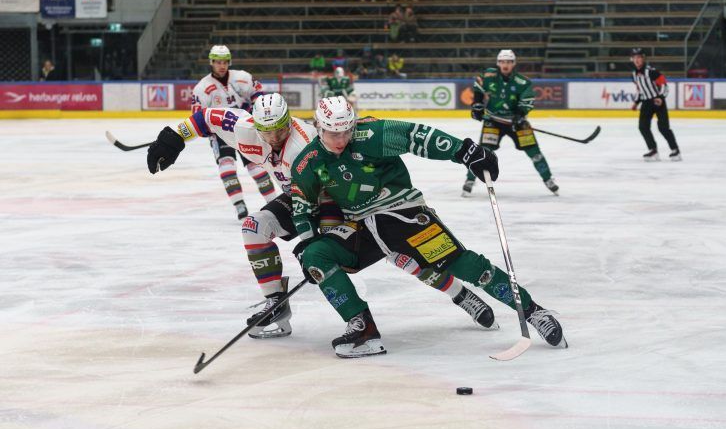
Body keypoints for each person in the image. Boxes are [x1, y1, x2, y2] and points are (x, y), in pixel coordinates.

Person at [146, 93, 498, 338]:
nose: (273, 136)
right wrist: (171, 139)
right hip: (298, 196)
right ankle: (275, 305)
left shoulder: (305, 144)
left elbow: (331, 193)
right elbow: (204, 118)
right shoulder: (244, 128)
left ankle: (459, 294)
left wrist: (319, 236)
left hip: (338, 199)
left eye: (279, 128)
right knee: (254, 228)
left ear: (289, 122)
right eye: (266, 130)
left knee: (398, 253)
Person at [290, 96, 567, 358]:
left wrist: (465, 151)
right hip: (361, 228)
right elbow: (302, 204)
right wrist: (306, 242)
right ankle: (363, 329)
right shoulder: (307, 162)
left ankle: (533, 312)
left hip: (403, 213)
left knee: (464, 265)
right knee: (316, 255)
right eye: (332, 134)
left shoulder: (369, 133)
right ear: (318, 127)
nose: (341, 140)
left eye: (345, 132)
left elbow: (416, 135)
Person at [191, 45, 277, 220]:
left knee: (256, 166)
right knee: (227, 165)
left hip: (245, 128)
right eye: (217, 62)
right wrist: (209, 130)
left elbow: (258, 94)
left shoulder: (242, 78)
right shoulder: (202, 88)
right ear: (211, 62)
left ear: (229, 62)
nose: (221, 65)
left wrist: (255, 108)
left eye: (224, 62)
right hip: (221, 134)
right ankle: (239, 205)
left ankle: (274, 202)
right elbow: (198, 116)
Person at [463, 49, 558, 197]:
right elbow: (479, 87)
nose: (505, 64)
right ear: (498, 63)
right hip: (493, 121)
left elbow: (527, 101)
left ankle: (548, 179)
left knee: (534, 151)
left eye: (508, 62)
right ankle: (469, 180)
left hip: (516, 122)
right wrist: (477, 105)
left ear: (513, 63)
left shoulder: (523, 82)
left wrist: (520, 115)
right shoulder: (489, 76)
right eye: (502, 62)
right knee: (481, 152)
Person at [630, 48, 681, 161]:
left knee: (663, 128)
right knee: (643, 127)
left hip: (657, 102)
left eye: (639, 57)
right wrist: (636, 102)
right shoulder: (634, 74)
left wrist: (660, 98)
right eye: (634, 57)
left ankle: (675, 150)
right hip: (646, 103)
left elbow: (664, 86)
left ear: (643, 59)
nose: (637, 60)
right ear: (632, 59)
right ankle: (653, 150)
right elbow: (640, 89)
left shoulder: (651, 71)